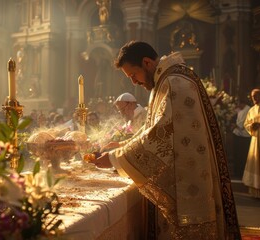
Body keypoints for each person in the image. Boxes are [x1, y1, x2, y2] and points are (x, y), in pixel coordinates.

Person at [91, 41, 240, 239]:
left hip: (189, 181)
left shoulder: (173, 82)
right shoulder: (166, 80)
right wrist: (123, 145)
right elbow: (153, 128)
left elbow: (159, 137)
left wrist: (114, 158)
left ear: (146, 63)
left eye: (133, 75)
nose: (134, 82)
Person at [243, 88, 260, 198]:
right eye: (252, 96)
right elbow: (246, 124)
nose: (253, 98)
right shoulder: (252, 110)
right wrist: (251, 126)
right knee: (255, 163)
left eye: (256, 96)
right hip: (255, 141)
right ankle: (256, 191)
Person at [231, 97, 251, 179]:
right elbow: (234, 114)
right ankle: (237, 171)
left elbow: (243, 123)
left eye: (239, 103)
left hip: (245, 137)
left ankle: (240, 172)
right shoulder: (240, 109)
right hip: (238, 135)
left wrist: (235, 125)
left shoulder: (248, 110)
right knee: (237, 154)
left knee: (242, 155)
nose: (238, 105)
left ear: (243, 103)